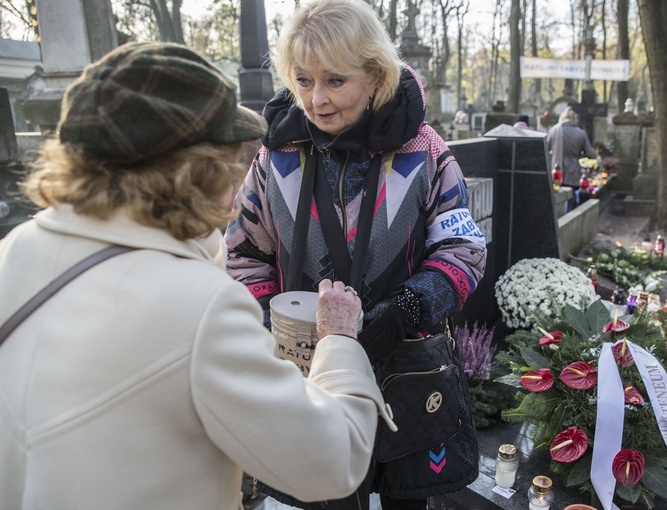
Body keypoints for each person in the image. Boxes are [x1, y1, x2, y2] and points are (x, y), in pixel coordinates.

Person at [0, 42, 395, 510]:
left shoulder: (16, 249)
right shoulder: (198, 306)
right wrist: (340, 339)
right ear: (197, 170)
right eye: (231, 156)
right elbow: (333, 461)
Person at [224, 0, 487, 508]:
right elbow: (243, 254)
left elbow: (464, 248)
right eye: (302, 80)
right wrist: (270, 321)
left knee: (407, 498)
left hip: (406, 367)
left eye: (335, 81)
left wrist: (405, 310)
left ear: (375, 75)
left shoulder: (425, 151)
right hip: (310, 375)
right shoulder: (275, 156)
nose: (315, 99)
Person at [546, 106, 597, 208]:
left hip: (555, 172)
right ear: (574, 119)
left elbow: (545, 150)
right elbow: (591, 154)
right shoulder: (581, 133)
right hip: (572, 172)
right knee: (570, 199)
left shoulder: (553, 130)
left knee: (555, 200)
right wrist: (580, 154)